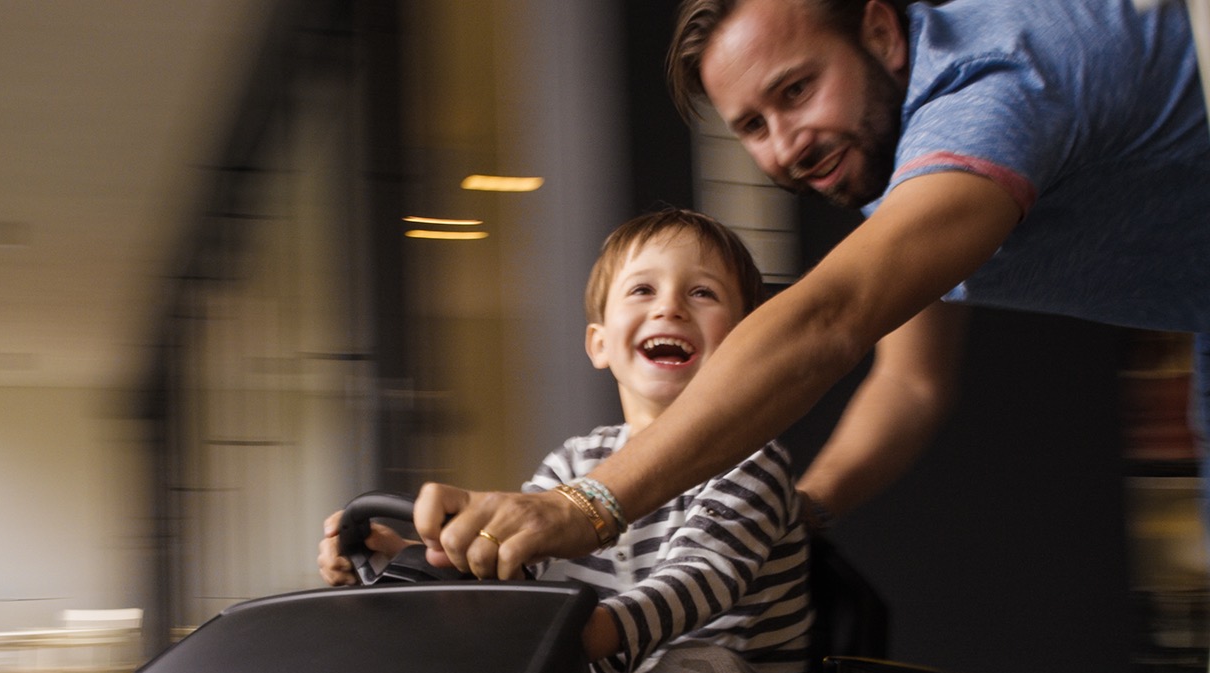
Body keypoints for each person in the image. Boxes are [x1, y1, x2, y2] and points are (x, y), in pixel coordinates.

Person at [411, 0, 1210, 585]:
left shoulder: (989, 87)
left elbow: (833, 317)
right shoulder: (895, 159)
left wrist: (585, 508)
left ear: (880, 33)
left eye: (796, 91)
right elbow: (910, 379)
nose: (787, 147)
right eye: (753, 126)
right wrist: (800, 513)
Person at [320, 208, 813, 673]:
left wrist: (590, 633)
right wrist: (409, 561)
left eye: (702, 293)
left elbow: (701, 576)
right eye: (642, 290)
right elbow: (515, 564)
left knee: (700, 668)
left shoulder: (750, 456)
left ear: (743, 346)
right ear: (599, 343)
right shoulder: (576, 462)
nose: (669, 307)